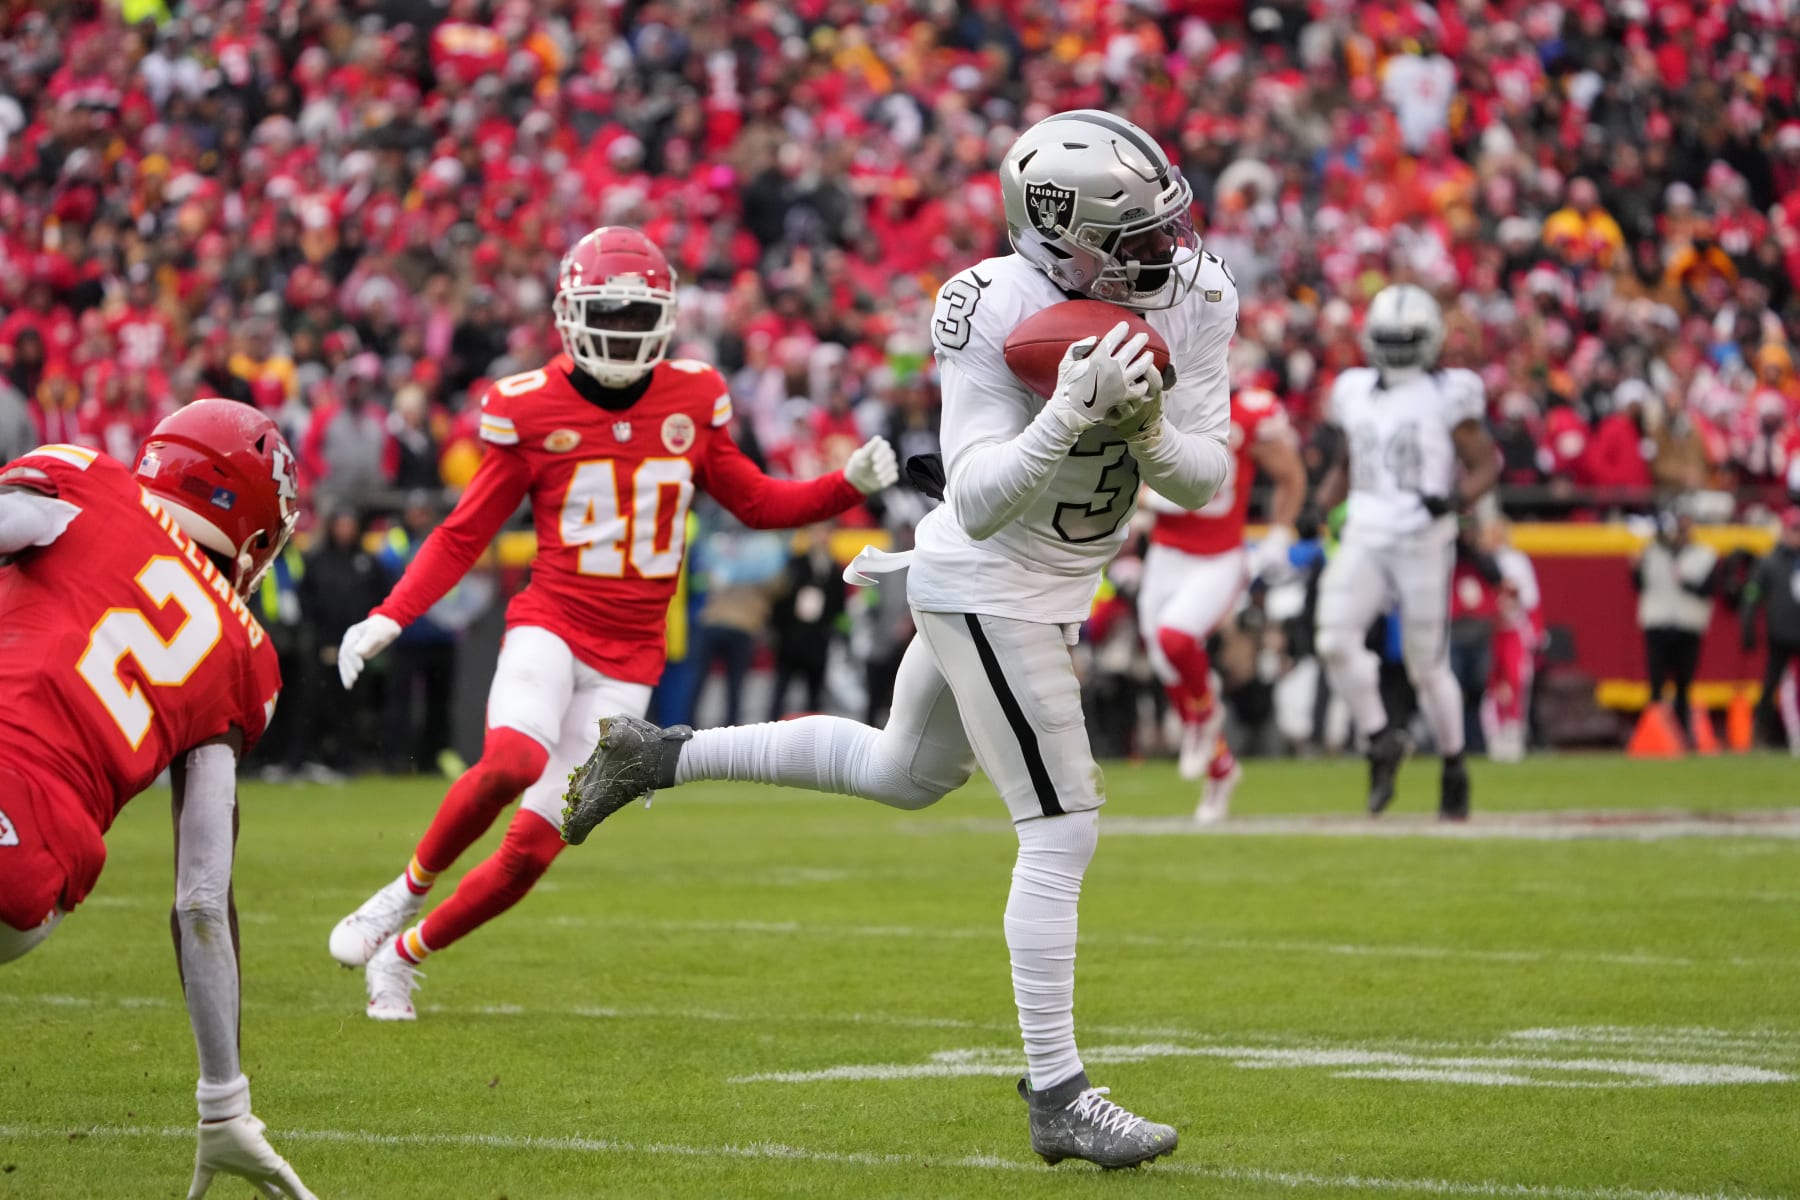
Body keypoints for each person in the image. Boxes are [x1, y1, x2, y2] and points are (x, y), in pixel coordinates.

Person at [561, 111, 1234, 1169]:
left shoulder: (1197, 294)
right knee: (1061, 828)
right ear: (1061, 239)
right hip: (990, 579)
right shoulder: (988, 302)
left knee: (903, 772)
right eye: (1135, 238)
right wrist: (1066, 413)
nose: (1166, 252)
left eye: (1165, 228)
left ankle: (660, 754)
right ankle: (1059, 1093)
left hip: (1051, 581)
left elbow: (1208, 478)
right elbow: (976, 498)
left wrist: (1147, 428)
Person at [326, 226, 897, 1019]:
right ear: (571, 313)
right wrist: (391, 614)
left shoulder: (693, 396)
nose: (624, 331)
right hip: (553, 621)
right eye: (609, 314)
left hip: (631, 658)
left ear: (665, 318)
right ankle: (402, 893)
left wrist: (846, 484)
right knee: (512, 761)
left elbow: (757, 501)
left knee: (535, 848)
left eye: (638, 316)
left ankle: (402, 957)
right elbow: (463, 532)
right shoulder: (530, 406)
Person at [0, 402, 314, 1198]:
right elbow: (202, 902)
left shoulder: (87, 483)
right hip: (36, 885)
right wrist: (224, 1102)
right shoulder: (245, 655)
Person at [1312, 284, 1499, 819]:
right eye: (1388, 338)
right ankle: (1381, 740)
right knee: (1333, 640)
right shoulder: (1354, 390)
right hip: (1365, 531)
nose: (1395, 348)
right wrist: (1318, 506)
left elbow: (1486, 463)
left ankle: (1454, 764)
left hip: (1422, 535)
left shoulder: (1449, 392)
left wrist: (1457, 499)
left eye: (1405, 339)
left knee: (1426, 665)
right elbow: (1348, 463)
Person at [1137, 383, 1304, 821]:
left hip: (1217, 557)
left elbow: (1291, 475)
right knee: (1165, 663)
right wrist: (1146, 496)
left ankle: (1205, 717)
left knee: (1176, 640)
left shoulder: (1244, 412)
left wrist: (1279, 534)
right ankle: (1221, 767)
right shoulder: (1150, 400)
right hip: (1166, 553)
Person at [1632, 508, 1718, 742]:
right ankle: (1655, 736)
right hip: (1658, 622)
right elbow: (1639, 585)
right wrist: (1636, 567)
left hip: (1688, 624)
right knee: (1656, 683)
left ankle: (1681, 735)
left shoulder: (1704, 554)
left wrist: (1685, 582)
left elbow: (1708, 589)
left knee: (1683, 685)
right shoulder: (1652, 551)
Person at [1739, 507, 1800, 752]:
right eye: (1795, 529)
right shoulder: (1769, 562)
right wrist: (1748, 626)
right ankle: (1760, 735)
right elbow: (1752, 594)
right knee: (1771, 685)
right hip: (1781, 634)